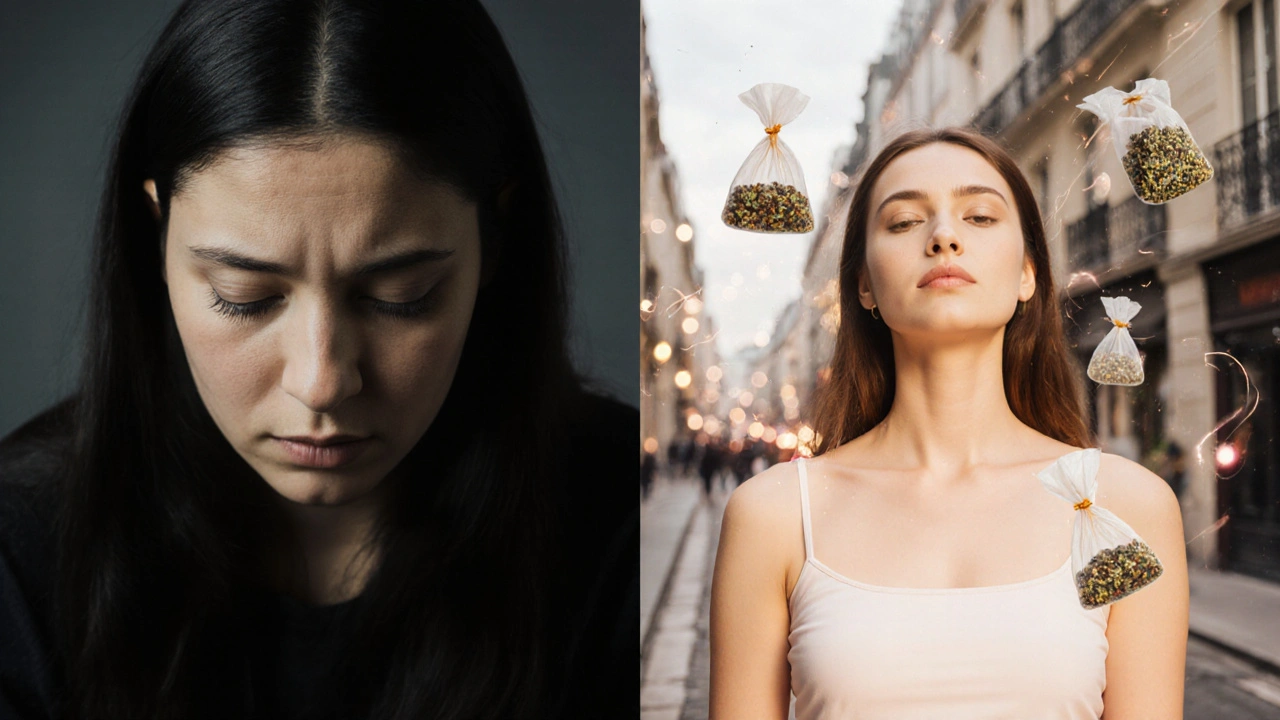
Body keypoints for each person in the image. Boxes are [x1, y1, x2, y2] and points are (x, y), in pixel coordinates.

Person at [0, 1, 636, 718]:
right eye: (245, 297)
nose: (322, 382)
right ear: (156, 238)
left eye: (402, 295)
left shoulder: (620, 532)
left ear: (494, 242)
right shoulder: (19, 555)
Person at [708, 127, 1188, 719]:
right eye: (905, 222)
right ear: (864, 285)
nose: (943, 237)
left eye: (980, 217)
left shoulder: (1128, 505)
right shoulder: (773, 515)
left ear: (1027, 275)